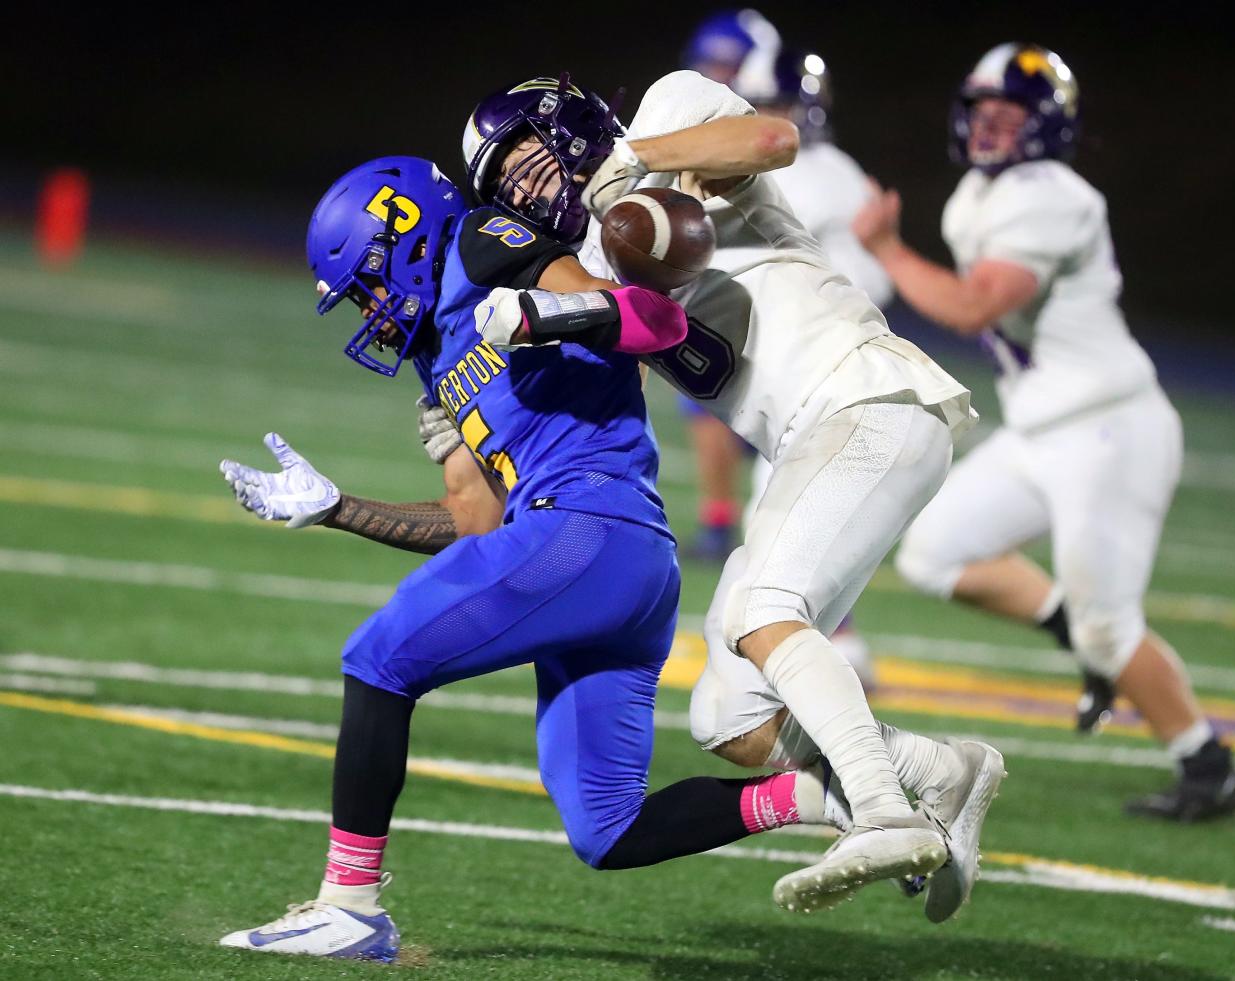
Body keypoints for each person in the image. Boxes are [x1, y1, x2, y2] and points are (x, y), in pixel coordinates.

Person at [216, 152, 847, 962]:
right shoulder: (435, 357)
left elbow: (651, 321)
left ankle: (350, 904)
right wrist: (339, 508)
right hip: (611, 558)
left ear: (403, 239)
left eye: (370, 284)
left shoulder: (480, 243)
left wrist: (546, 314)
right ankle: (827, 793)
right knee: (608, 827)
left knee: (378, 657)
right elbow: (476, 524)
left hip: (590, 525)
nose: (370, 311)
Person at [463, 71, 1003, 919]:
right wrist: (538, 312)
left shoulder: (668, 113)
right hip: (809, 440)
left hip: (865, 394)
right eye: (508, 188)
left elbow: (770, 141)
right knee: (729, 714)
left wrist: (631, 158)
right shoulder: (599, 257)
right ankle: (940, 770)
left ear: (563, 125)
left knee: (765, 607)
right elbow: (630, 318)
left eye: (526, 162)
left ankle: (881, 810)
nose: (526, 191)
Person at [852, 43, 1235, 821]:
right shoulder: (975, 197)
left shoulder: (1053, 195)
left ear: (1047, 125)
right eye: (983, 112)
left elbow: (973, 308)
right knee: (934, 551)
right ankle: (1073, 628)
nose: (991, 127)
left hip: (1109, 430)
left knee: (1112, 627)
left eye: (1010, 114)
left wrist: (888, 250)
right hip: (1043, 429)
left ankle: (1206, 763)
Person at [682, 9, 896, 684]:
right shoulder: (844, 171)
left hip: (826, 380)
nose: (763, 118)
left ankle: (834, 688)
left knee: (776, 546)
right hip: (834, 372)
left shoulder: (803, 172)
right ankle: (844, 653)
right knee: (787, 536)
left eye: (772, 106)